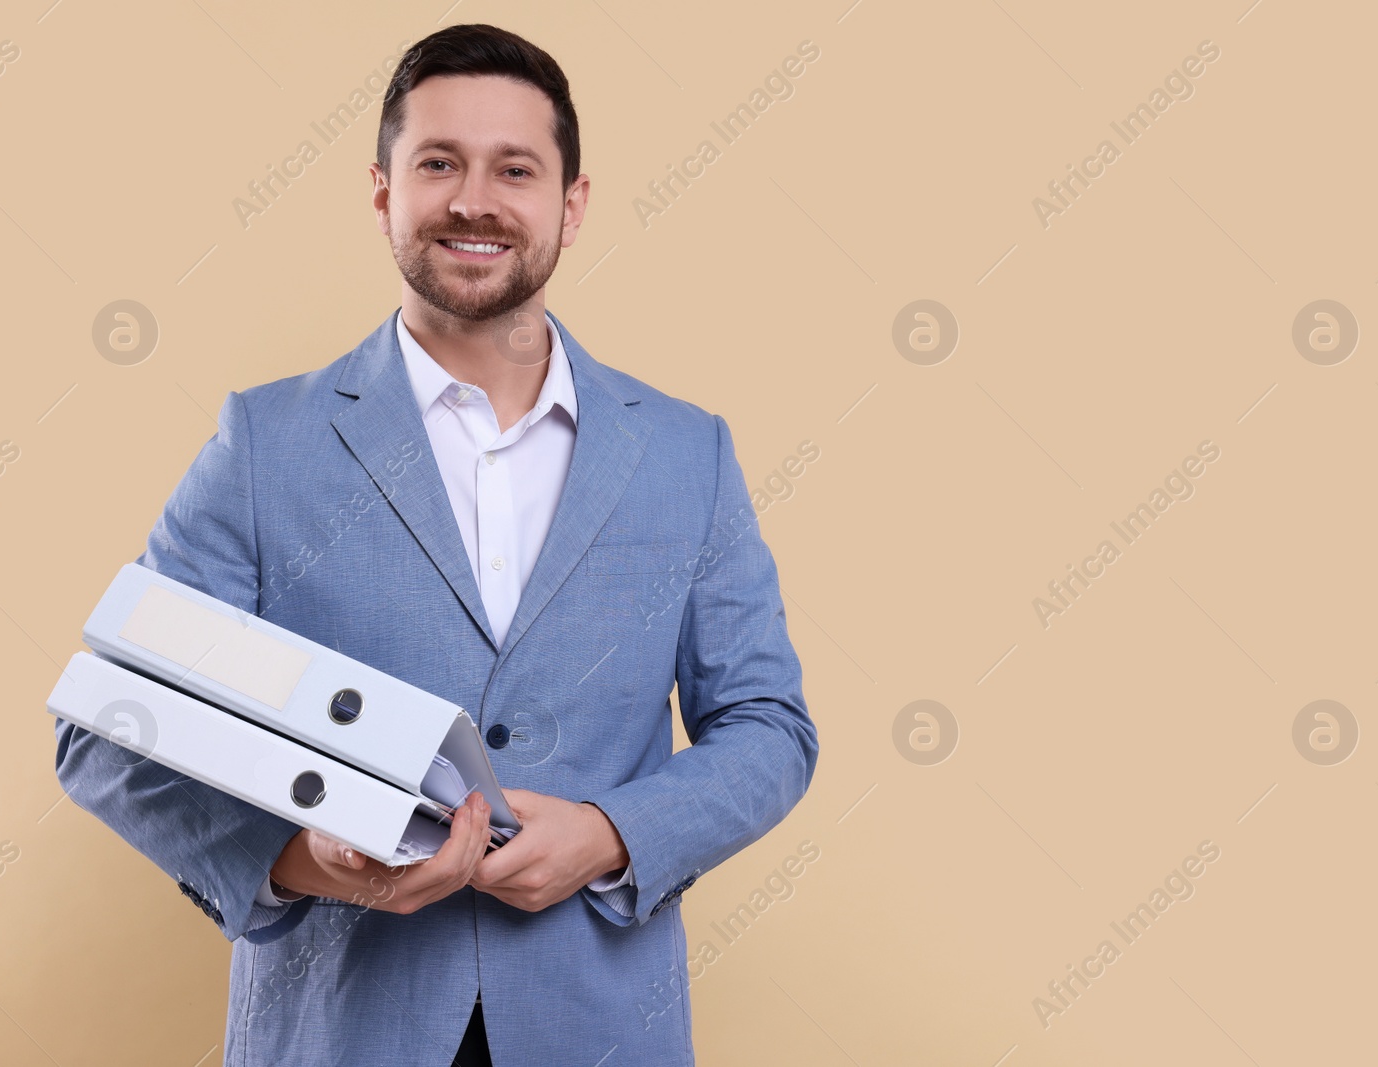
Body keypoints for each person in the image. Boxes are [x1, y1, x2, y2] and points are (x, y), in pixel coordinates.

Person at [53, 22, 818, 1067]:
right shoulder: (266, 444)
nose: (474, 200)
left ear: (571, 204)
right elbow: (105, 727)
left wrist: (611, 832)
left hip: (597, 1026)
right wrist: (300, 859)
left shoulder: (688, 454)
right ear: (383, 194)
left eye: (515, 168)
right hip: (337, 1028)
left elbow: (770, 726)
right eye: (439, 164)